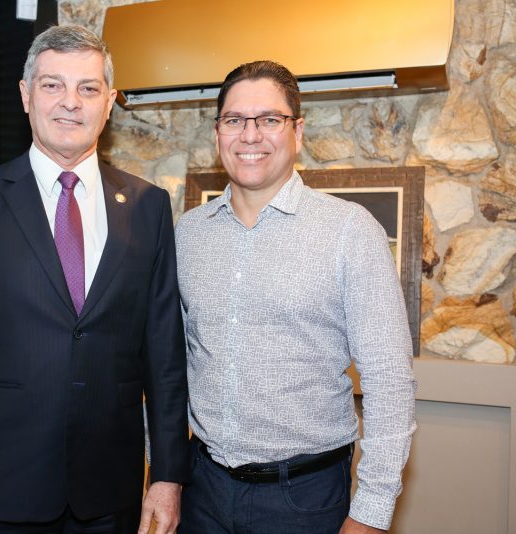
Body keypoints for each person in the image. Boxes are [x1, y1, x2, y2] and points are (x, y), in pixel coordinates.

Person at [0, 24, 189, 534]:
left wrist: (168, 476)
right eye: (52, 85)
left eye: (88, 88)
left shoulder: (149, 206)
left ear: (109, 103)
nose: (71, 103)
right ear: (25, 95)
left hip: (110, 493)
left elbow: (165, 358)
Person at [175, 60, 417, 533]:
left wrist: (370, 512)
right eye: (234, 120)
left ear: (297, 130)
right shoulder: (189, 233)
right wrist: (161, 473)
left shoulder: (349, 230)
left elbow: (389, 379)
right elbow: (171, 362)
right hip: (200, 489)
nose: (250, 135)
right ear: (218, 131)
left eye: (269, 119)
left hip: (303, 499)